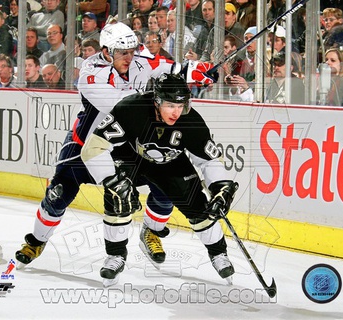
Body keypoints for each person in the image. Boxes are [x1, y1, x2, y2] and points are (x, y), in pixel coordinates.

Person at [15, 22, 215, 268]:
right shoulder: (91, 73)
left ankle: (152, 231)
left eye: (132, 51)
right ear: (107, 51)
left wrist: (195, 70)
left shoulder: (139, 62)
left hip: (129, 148)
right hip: (88, 145)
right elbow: (124, 106)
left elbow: (170, 67)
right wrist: (164, 95)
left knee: (168, 182)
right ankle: (36, 241)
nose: (129, 58)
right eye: (123, 53)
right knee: (58, 194)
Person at [80, 73, 238, 286]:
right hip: (131, 157)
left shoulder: (191, 120)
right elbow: (92, 148)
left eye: (181, 105)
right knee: (119, 195)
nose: (176, 112)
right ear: (156, 101)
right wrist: (111, 181)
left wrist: (219, 187)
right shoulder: (131, 108)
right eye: (170, 105)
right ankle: (115, 255)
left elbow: (209, 159)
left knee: (198, 205)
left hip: (171, 163)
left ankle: (218, 254)